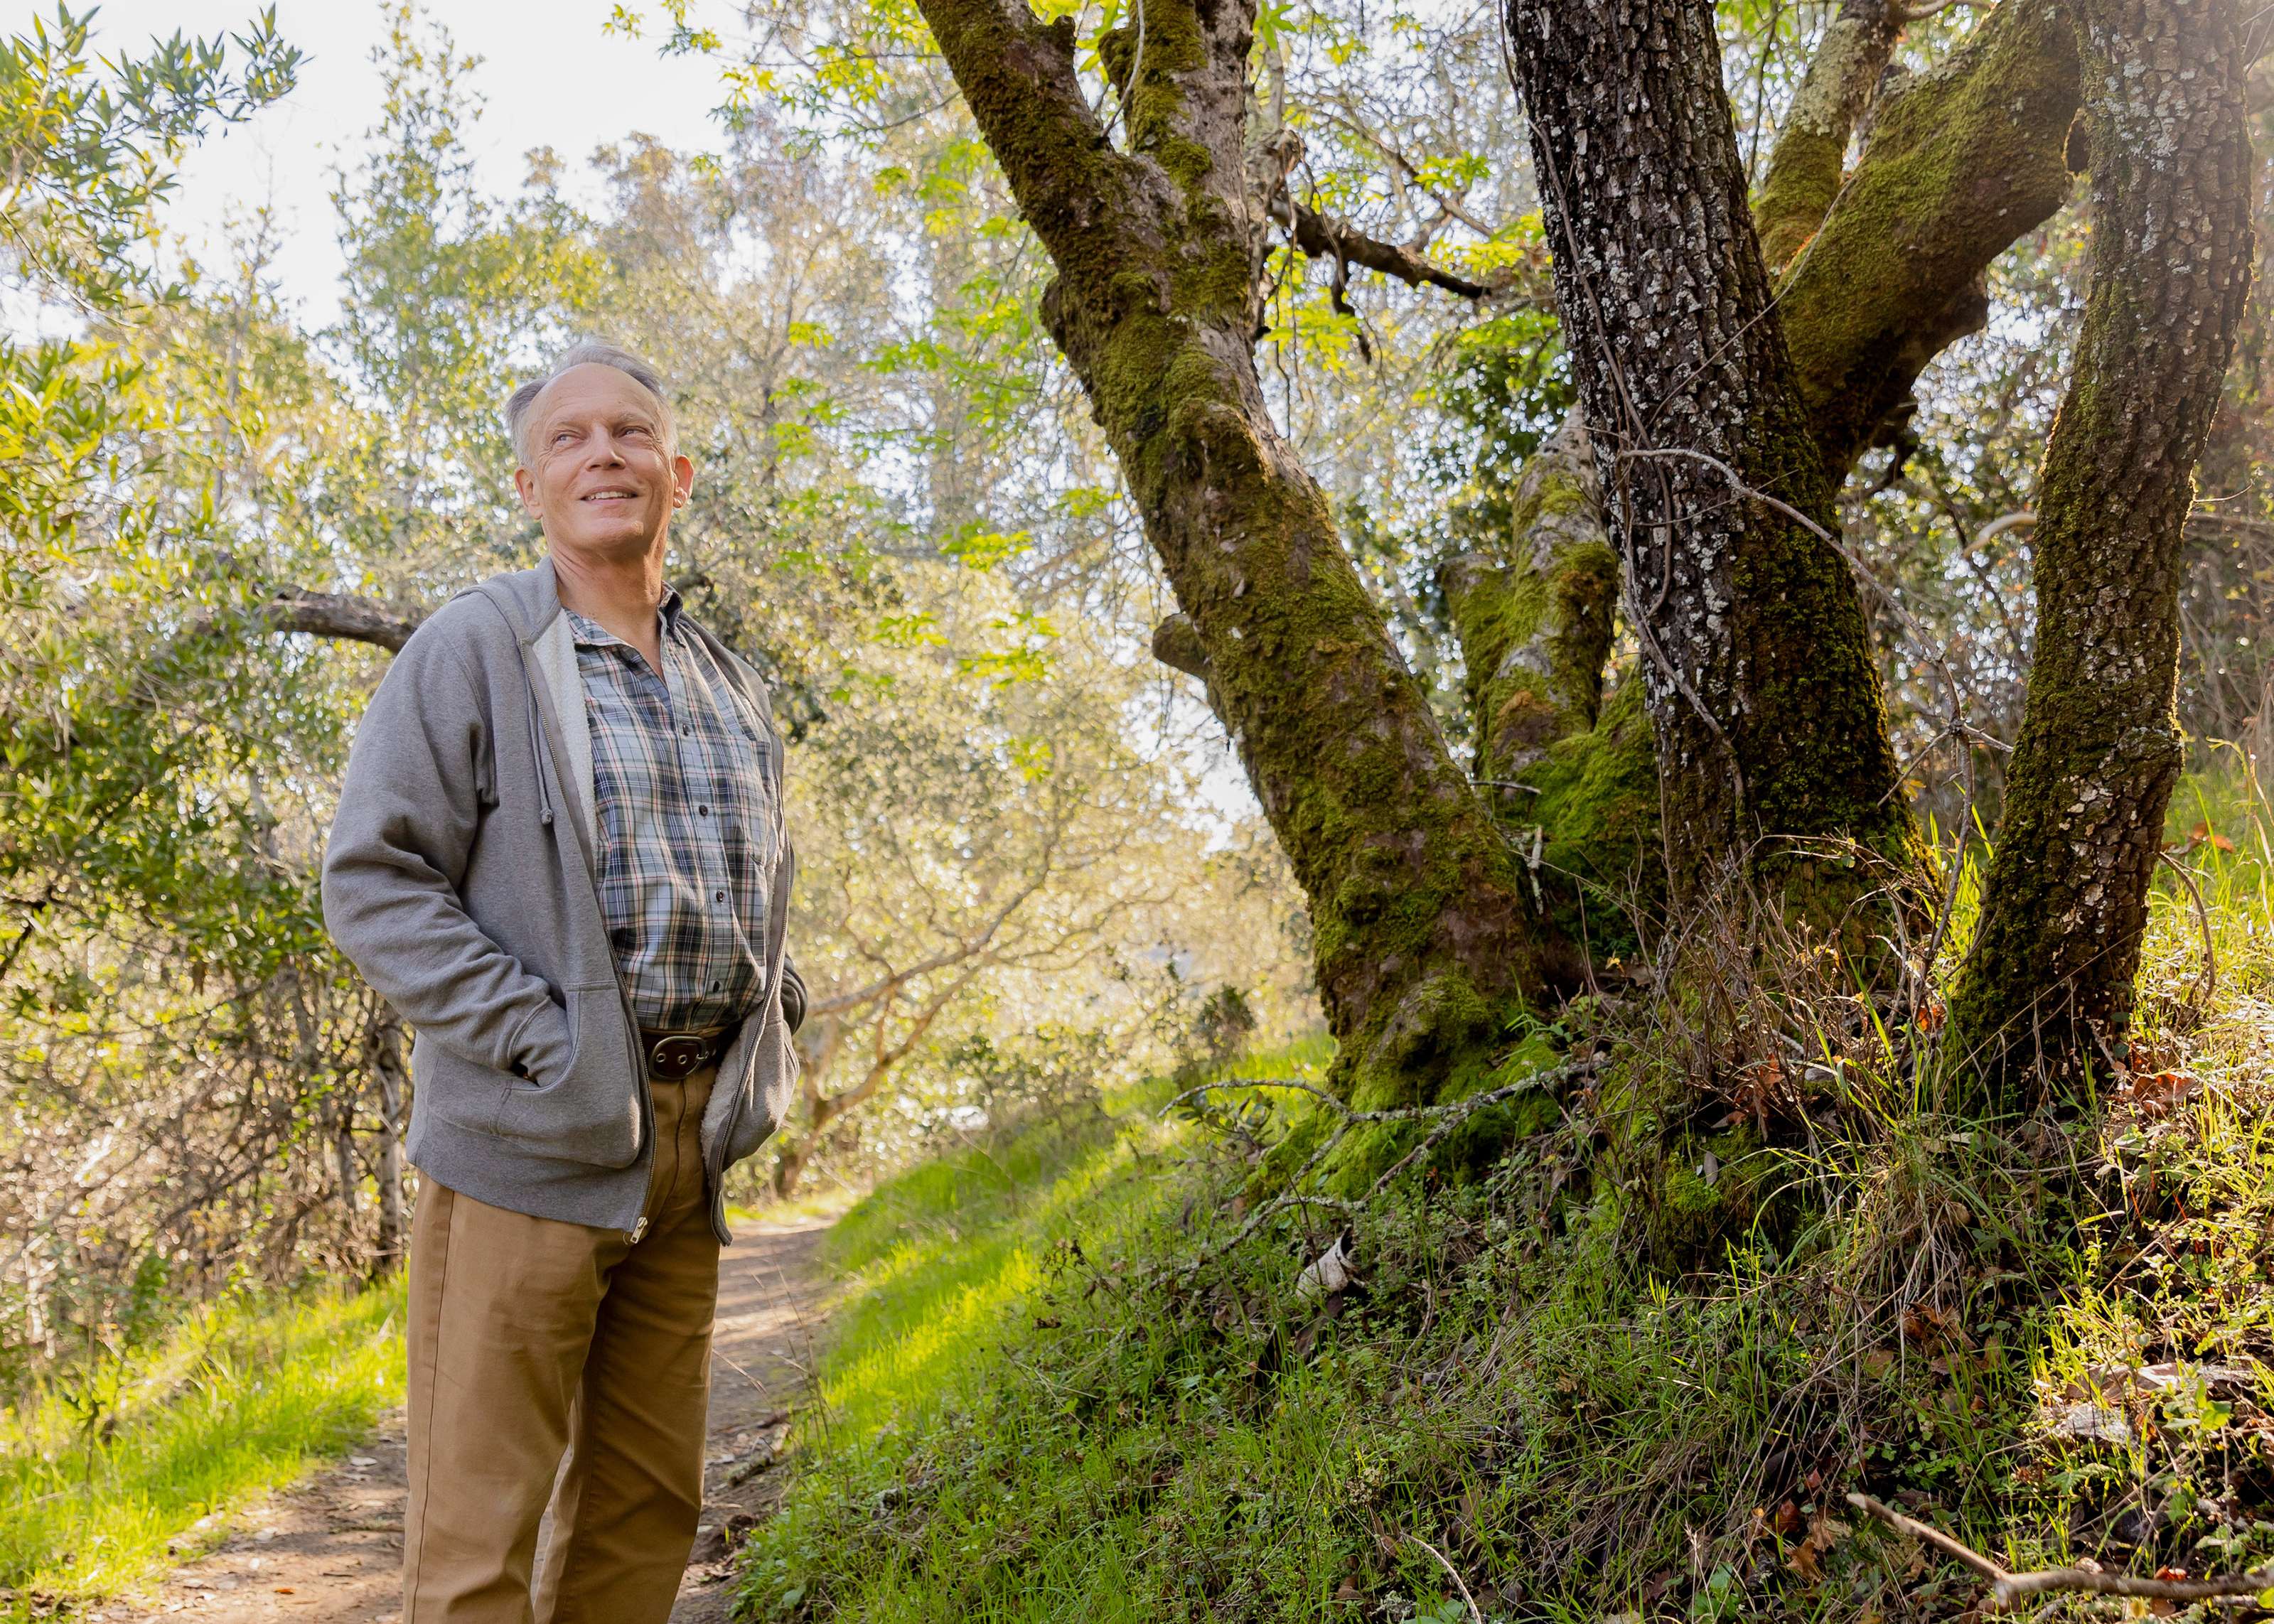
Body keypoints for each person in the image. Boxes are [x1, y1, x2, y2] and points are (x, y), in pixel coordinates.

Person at [322, 341, 804, 1623]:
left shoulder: (726, 681)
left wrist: (774, 1021)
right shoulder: (475, 648)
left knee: (646, 1507)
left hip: (687, 1146)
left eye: (631, 436)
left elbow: (750, 882)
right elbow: (372, 881)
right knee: (478, 1528)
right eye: (572, 441)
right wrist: (543, 1041)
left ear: (678, 474)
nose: (605, 456)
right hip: (527, 1144)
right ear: (531, 485)